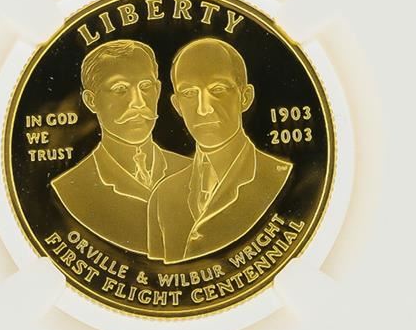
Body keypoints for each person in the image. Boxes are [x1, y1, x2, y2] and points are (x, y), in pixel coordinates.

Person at [147, 37, 292, 263]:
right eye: (189, 93)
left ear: (245, 97)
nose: (203, 108)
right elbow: (157, 278)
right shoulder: (163, 196)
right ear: (177, 106)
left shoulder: (282, 178)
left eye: (217, 89)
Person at [52, 39, 189, 254]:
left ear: (158, 90)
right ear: (91, 101)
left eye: (145, 87)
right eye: (120, 89)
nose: (138, 102)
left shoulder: (194, 173)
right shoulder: (70, 187)